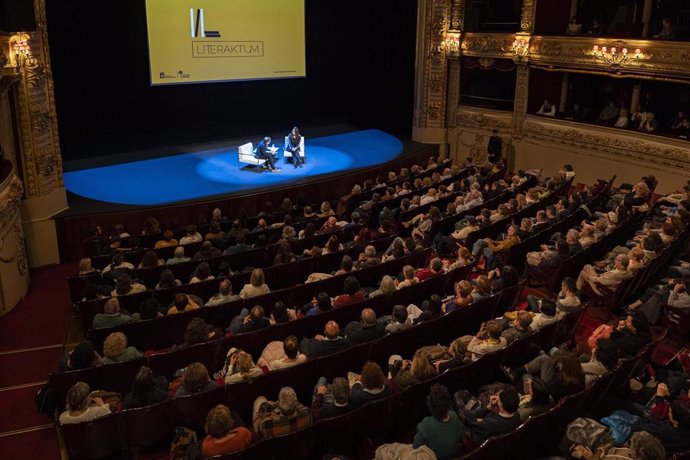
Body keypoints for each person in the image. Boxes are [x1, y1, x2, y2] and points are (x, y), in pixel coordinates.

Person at [413, 384, 464, 460]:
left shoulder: (426, 424)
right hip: (454, 454)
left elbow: (416, 446)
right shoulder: (454, 416)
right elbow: (461, 435)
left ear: (430, 406)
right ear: (449, 402)